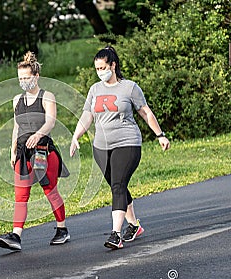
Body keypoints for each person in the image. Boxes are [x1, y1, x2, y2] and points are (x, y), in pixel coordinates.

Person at [70, 46, 170, 249]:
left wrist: (160, 135)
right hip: (101, 146)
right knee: (118, 185)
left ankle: (116, 234)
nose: (100, 72)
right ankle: (133, 225)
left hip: (127, 142)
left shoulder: (130, 87)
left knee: (118, 185)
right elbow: (87, 116)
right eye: (96, 69)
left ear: (113, 65)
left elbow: (145, 113)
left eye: (102, 67)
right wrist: (75, 136)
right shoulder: (94, 90)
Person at [0, 51, 70, 251]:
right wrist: (12, 151)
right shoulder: (16, 100)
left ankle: (62, 229)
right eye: (20, 78)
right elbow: (16, 127)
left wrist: (38, 134)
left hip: (43, 152)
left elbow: (51, 121)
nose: (23, 81)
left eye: (27, 78)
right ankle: (16, 236)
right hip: (22, 153)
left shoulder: (47, 96)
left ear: (36, 76)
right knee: (20, 196)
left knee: (50, 190)